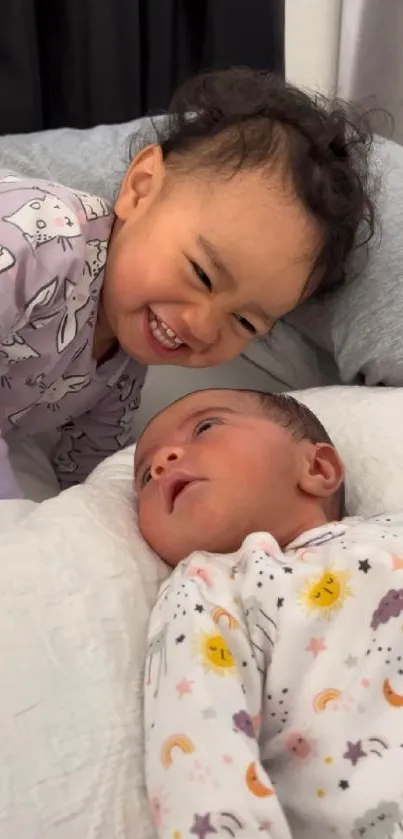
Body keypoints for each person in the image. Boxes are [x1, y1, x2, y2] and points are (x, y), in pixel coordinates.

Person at [0, 67, 374, 499]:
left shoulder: (123, 367)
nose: (202, 325)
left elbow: (89, 469)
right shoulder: (43, 238)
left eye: (246, 323)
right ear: (140, 189)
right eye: (201, 273)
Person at [138, 388, 403, 839]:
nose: (162, 461)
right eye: (144, 477)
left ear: (317, 468)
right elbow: (201, 747)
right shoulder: (207, 587)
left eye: (206, 427)